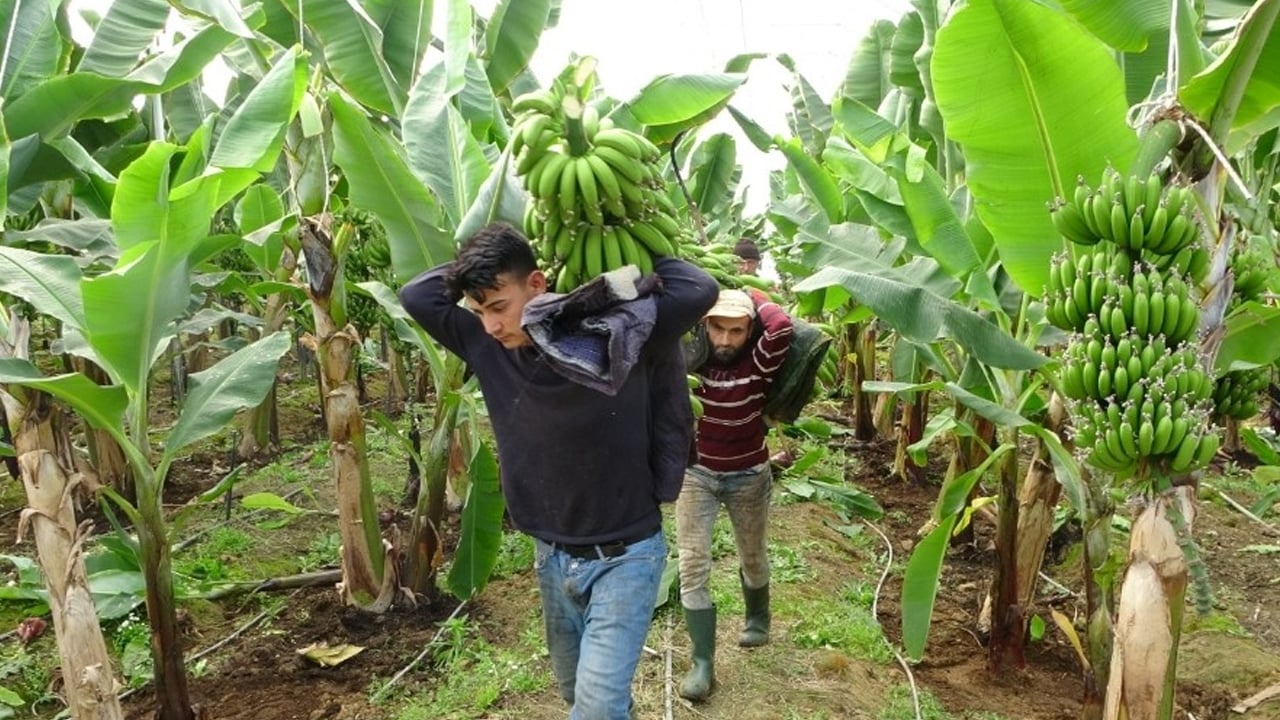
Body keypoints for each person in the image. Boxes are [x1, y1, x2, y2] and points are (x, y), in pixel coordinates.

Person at [398, 222, 717, 719]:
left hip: (627, 557)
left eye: (499, 306)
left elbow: (698, 288)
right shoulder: (487, 347)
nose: (490, 325)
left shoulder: (621, 335)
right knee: (577, 693)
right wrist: (492, 259)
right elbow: (416, 295)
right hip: (551, 557)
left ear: (538, 284)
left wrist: (618, 232)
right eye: (478, 312)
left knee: (596, 706)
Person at [676, 287, 794, 701]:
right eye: (717, 328)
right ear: (704, 326)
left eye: (736, 331)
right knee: (692, 563)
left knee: (753, 555)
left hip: (748, 474)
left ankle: (758, 619)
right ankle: (702, 662)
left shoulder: (760, 361)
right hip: (697, 475)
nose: (725, 340)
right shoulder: (689, 362)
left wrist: (747, 292)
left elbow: (782, 326)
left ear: (749, 331)